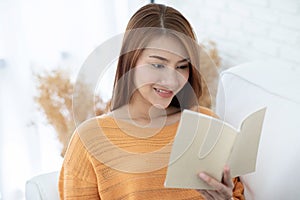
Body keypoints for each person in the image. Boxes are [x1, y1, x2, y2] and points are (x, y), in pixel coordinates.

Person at [59, 3, 244, 200]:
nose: (172, 81)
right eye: (158, 64)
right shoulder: (90, 139)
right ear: (130, 60)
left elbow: (237, 194)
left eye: (182, 66)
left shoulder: (208, 125)